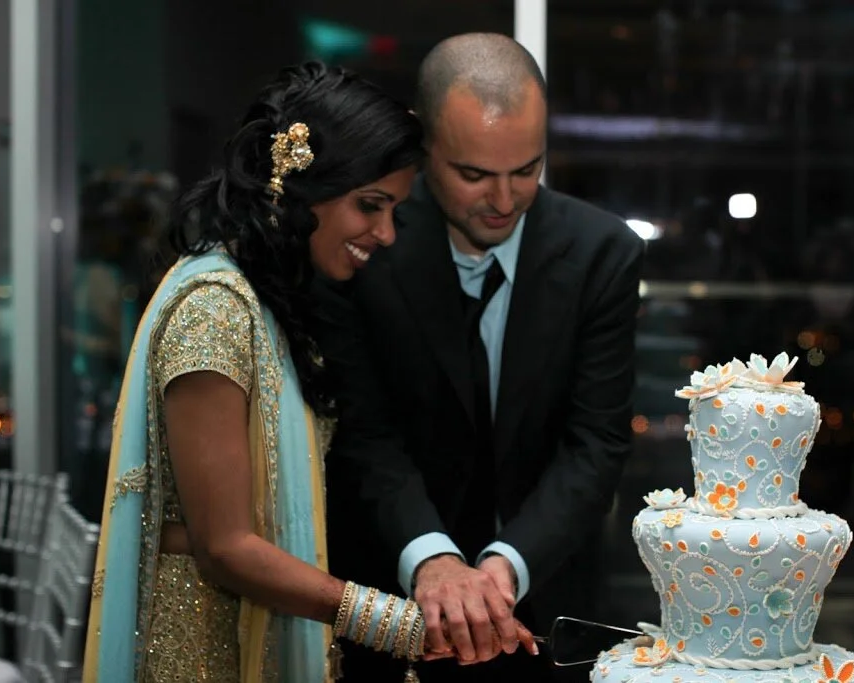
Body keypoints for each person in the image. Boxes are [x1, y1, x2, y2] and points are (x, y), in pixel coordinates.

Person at [81, 61, 537, 683]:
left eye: (394, 211)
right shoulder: (214, 308)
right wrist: (401, 625)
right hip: (203, 651)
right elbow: (224, 547)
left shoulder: (271, 302)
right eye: (370, 206)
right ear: (295, 188)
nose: (385, 234)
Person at [327, 33, 645, 682]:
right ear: (422, 143)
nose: (504, 201)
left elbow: (596, 443)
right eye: (474, 175)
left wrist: (504, 568)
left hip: (544, 610)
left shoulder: (604, 254)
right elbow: (364, 434)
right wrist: (432, 557)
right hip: (391, 607)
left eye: (526, 169)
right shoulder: (367, 244)